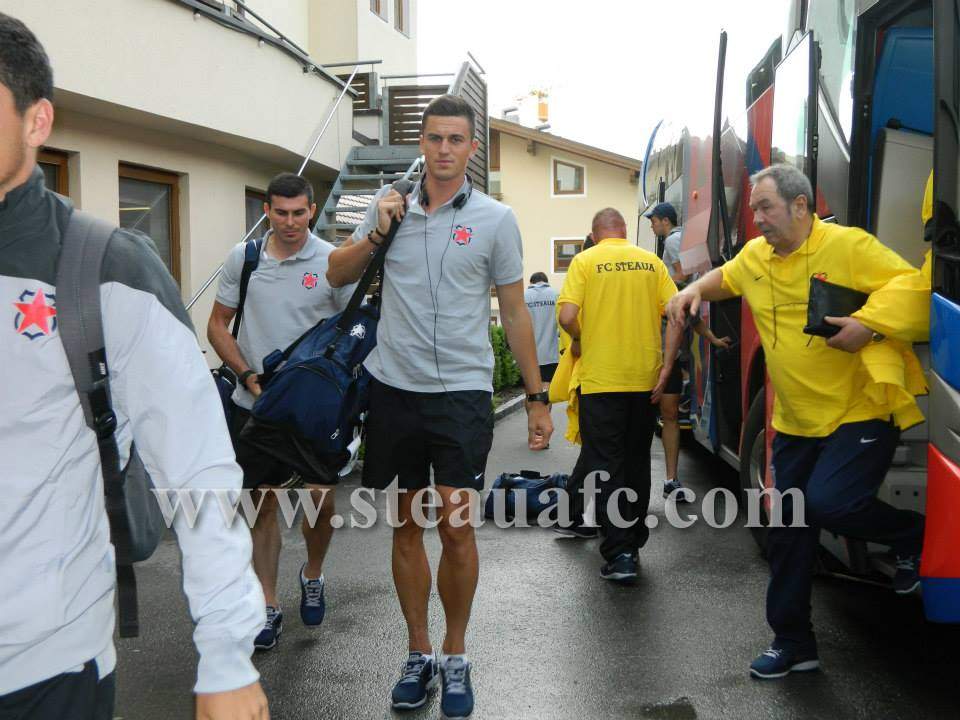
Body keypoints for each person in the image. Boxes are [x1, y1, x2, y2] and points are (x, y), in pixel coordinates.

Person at [0, 12, 268, 718]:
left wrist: (227, 658)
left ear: (37, 121)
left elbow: (198, 468)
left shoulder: (105, 269)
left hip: (45, 669)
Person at [326, 94, 552, 719]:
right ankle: (417, 652)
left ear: (472, 149)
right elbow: (337, 275)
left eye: (456, 140)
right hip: (395, 390)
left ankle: (455, 653)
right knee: (407, 526)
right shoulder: (388, 207)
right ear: (420, 144)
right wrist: (378, 228)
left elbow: (513, 313)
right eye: (435, 139)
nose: (445, 150)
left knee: (455, 529)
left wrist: (537, 398)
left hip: (461, 394)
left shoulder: (496, 220)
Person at [666, 163, 927, 680]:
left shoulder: (847, 246)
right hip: (794, 420)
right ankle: (793, 642)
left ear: (801, 206)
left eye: (765, 207)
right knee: (787, 528)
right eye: (754, 209)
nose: (757, 218)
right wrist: (690, 291)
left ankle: (911, 537)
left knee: (829, 502)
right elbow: (727, 277)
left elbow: (916, 291)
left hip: (861, 409)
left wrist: (870, 325)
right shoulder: (757, 257)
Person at [207, 173, 353, 652]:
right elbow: (217, 325)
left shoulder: (333, 261)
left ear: (312, 210)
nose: (290, 222)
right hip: (257, 405)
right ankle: (267, 605)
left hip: (313, 413)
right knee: (260, 507)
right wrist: (247, 373)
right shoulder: (244, 259)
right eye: (280, 212)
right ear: (265, 211)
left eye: (299, 212)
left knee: (319, 500)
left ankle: (313, 572)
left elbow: (354, 332)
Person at [558, 208, 682, 582]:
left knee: (607, 464)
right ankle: (633, 539)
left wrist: (581, 337)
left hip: (602, 380)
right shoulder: (651, 263)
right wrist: (667, 365)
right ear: (625, 233)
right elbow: (678, 313)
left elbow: (566, 317)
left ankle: (619, 554)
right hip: (644, 379)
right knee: (637, 463)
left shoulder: (585, 261)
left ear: (596, 235)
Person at [647, 204, 731, 502]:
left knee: (669, 416)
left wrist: (712, 338)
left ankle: (670, 481)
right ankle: (632, 481)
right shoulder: (652, 286)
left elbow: (689, 314)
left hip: (664, 364)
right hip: (647, 363)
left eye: (654, 222)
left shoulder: (669, 277)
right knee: (650, 420)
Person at [525, 271, 560, 387]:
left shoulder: (524, 296)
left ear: (531, 282)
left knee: (530, 390)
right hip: (550, 355)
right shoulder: (556, 295)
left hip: (528, 355)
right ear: (546, 281)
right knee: (546, 389)